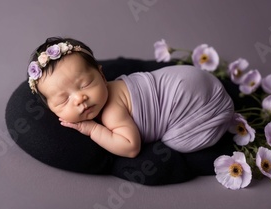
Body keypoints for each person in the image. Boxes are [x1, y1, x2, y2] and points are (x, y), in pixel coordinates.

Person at [27, 37, 234, 158]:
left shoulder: (111, 112)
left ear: (102, 74)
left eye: (85, 85)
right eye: (63, 100)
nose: (79, 99)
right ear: (51, 109)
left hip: (198, 101)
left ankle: (215, 121)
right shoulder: (109, 91)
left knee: (177, 142)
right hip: (197, 80)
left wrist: (91, 129)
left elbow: (131, 147)